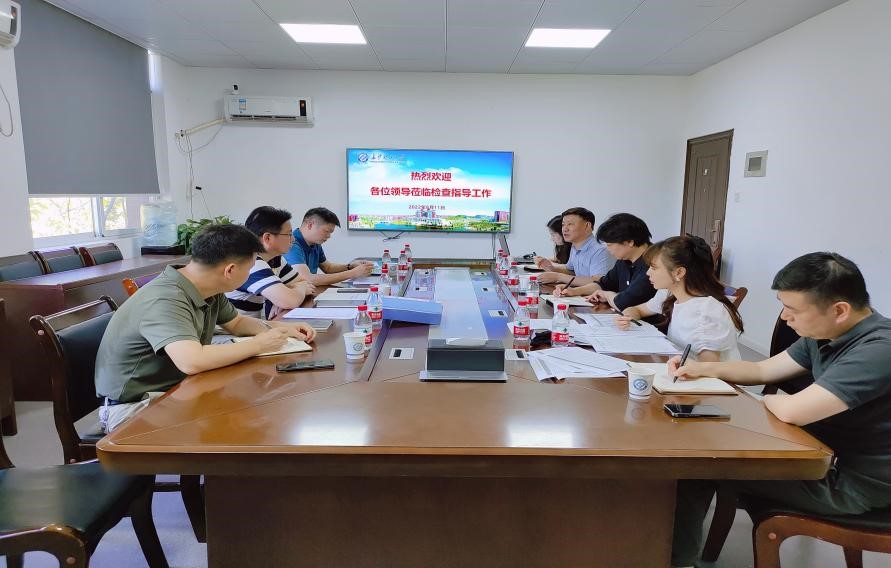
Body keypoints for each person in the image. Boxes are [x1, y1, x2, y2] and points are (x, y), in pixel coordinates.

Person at [668, 252, 891, 568]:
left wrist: (765, 400)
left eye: (793, 309)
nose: (785, 317)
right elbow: (762, 370)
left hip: (856, 486)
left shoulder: (879, 349)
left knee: (696, 467)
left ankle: (678, 563)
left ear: (839, 310)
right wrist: (704, 369)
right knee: (700, 456)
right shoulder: (825, 333)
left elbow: (792, 412)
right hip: (826, 457)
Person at [95, 224, 317, 433]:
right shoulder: (166, 298)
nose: (249, 275)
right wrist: (258, 345)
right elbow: (192, 361)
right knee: (239, 427)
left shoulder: (208, 287)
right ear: (230, 270)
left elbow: (237, 323)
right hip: (132, 407)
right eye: (249, 269)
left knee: (249, 410)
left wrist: (282, 328)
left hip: (175, 390)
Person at [619, 235, 743, 362]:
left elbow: (708, 368)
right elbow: (637, 310)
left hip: (696, 373)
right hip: (678, 368)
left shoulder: (706, 312)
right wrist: (627, 318)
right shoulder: (668, 294)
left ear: (679, 272)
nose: (647, 273)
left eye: (654, 268)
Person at [552, 213, 657, 311]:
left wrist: (607, 295)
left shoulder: (654, 264)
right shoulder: (624, 260)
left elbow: (624, 302)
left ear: (629, 242)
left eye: (610, 245)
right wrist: (574, 291)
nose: (608, 249)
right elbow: (604, 284)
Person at [226, 206, 316, 319]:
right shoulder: (251, 262)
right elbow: (290, 301)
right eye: (289, 234)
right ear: (267, 238)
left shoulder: (275, 259)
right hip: (233, 328)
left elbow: (305, 283)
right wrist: (296, 291)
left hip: (253, 324)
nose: (293, 239)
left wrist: (282, 298)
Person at [284, 207, 374, 286]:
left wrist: (350, 266)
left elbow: (328, 268)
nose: (329, 236)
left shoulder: (315, 243)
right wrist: (353, 273)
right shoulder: (291, 244)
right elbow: (308, 279)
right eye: (326, 231)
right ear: (310, 225)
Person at [532, 207, 614, 285]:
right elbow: (571, 270)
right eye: (563, 225)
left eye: (570, 224)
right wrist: (552, 267)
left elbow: (599, 282)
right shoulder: (575, 246)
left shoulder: (600, 250)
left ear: (587, 226)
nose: (564, 229)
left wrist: (558, 276)